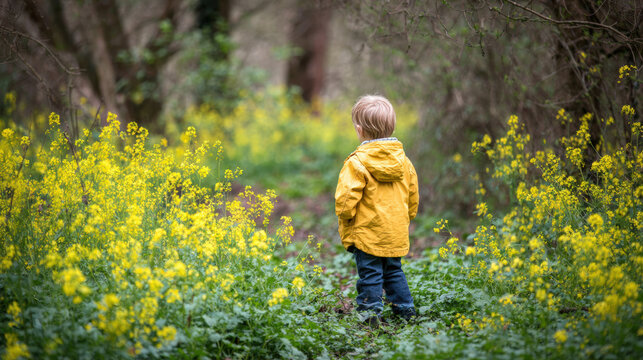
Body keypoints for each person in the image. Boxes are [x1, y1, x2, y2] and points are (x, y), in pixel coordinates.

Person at [335, 94, 419, 325]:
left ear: (360, 130)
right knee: (393, 271)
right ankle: (406, 313)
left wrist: (347, 218)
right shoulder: (404, 161)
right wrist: (405, 218)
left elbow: (345, 200)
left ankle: (370, 316)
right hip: (395, 232)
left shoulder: (357, 162)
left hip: (368, 233)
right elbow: (413, 196)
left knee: (371, 275)